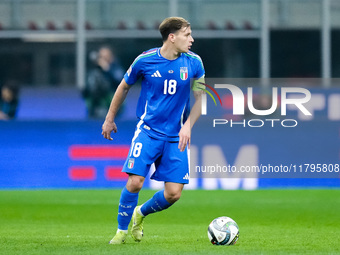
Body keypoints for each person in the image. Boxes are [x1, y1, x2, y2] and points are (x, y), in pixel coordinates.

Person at [101, 17, 205, 244]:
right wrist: (110, 118)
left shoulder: (194, 63)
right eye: (187, 35)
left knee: (173, 194)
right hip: (148, 131)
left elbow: (201, 99)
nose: (192, 39)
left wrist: (188, 125)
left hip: (175, 136)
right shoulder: (145, 60)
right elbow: (124, 86)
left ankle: (140, 213)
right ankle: (121, 231)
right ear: (172, 37)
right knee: (135, 181)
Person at [83, 46, 124, 118]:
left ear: (111, 57)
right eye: (101, 57)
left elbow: (120, 83)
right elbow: (86, 92)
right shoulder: (94, 71)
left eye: (105, 57)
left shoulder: (116, 68)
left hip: (112, 107)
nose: (102, 60)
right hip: (95, 106)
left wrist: (107, 69)